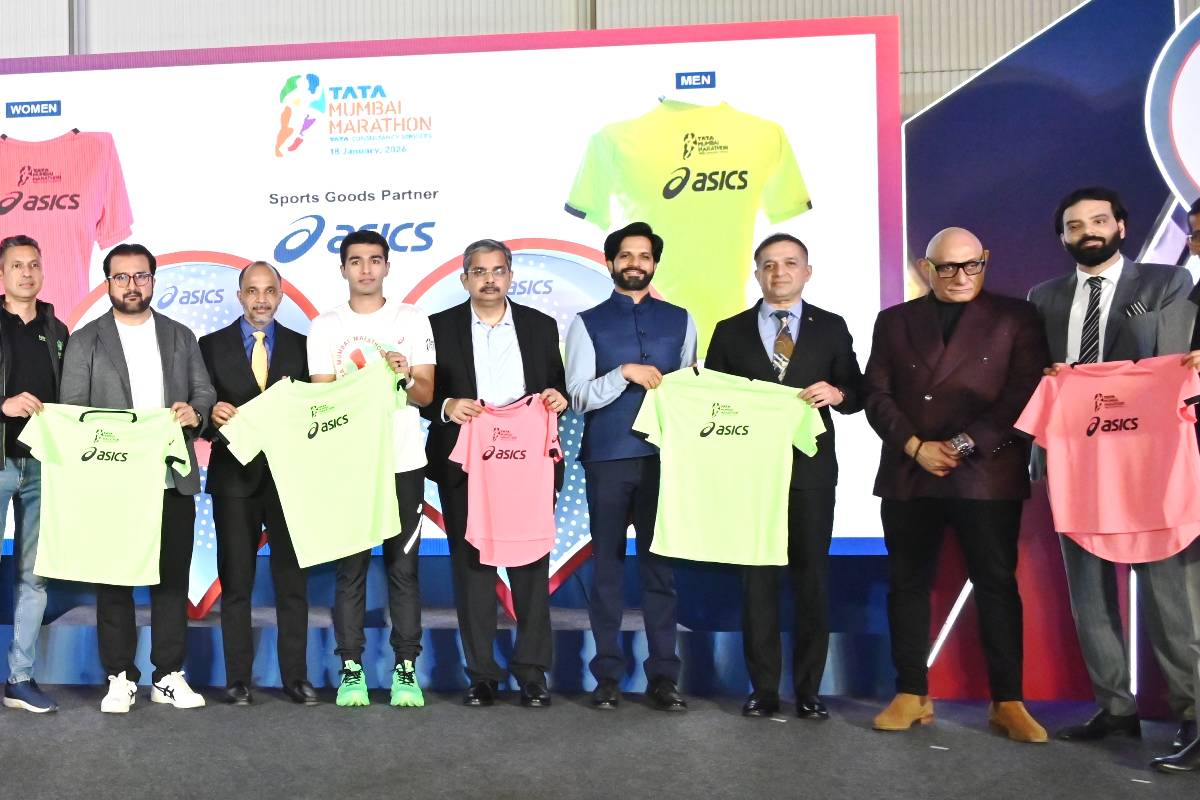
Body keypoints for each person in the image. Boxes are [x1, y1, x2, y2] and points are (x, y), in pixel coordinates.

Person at [1028, 187, 1199, 758]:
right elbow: (1033, 375)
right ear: (1063, 237)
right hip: (1075, 460)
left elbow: (1171, 359)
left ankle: (1193, 712)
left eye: (1099, 221)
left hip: (1148, 458)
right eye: (1075, 225)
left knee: (1171, 594)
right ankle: (1116, 708)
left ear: (1122, 226)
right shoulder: (1043, 297)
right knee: (1089, 592)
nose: (1088, 232)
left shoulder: (1168, 283)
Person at [864, 227, 1050, 742]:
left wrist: (963, 445)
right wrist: (915, 446)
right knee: (906, 583)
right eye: (947, 267)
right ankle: (911, 693)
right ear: (928, 268)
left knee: (996, 584)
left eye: (972, 265)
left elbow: (1024, 393)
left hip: (986, 471)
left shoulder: (1017, 317)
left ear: (984, 261)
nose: (961, 276)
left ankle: (1008, 701)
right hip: (909, 469)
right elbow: (876, 393)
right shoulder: (894, 321)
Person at [705, 233, 863, 719]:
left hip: (811, 471)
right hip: (750, 473)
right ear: (756, 274)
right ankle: (764, 689)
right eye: (769, 264)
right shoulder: (729, 331)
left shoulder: (831, 327)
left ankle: (810, 690)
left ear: (807, 272)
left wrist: (838, 393)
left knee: (811, 580)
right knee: (757, 582)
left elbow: (858, 392)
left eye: (790, 263)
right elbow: (713, 400)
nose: (780, 272)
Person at [60, 242, 216, 712]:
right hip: (113, 483)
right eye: (122, 277)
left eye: (141, 276)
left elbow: (204, 391)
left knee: (171, 580)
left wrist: (196, 413)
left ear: (153, 280)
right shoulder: (85, 340)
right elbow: (73, 411)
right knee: (114, 579)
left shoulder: (180, 335)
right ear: (108, 283)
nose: (132, 285)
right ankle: (120, 676)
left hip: (171, 478)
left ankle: (168, 675)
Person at [423, 239, 567, 708]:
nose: (489, 279)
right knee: (473, 571)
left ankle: (533, 673)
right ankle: (482, 674)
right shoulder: (437, 327)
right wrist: (446, 405)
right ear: (464, 278)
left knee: (530, 568)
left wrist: (557, 398)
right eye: (480, 271)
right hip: (466, 462)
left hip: (528, 463)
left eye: (498, 270)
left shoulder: (540, 326)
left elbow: (556, 386)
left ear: (510, 276)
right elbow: (422, 393)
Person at [565, 221, 695, 711]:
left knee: (661, 571)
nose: (635, 263)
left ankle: (664, 677)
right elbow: (578, 396)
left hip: (664, 459)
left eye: (644, 256)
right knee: (608, 571)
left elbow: (689, 389)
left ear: (654, 263)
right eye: (625, 255)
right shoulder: (587, 322)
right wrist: (622, 374)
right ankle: (607, 676)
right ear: (610, 263)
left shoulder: (681, 319)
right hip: (608, 458)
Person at [306, 229, 434, 708]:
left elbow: (425, 395)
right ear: (343, 269)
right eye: (356, 261)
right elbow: (323, 401)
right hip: (350, 465)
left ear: (387, 267)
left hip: (403, 462)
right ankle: (351, 668)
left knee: (404, 569)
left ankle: (405, 668)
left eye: (374, 260)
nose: (365, 269)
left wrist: (404, 373)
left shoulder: (411, 319)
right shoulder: (326, 326)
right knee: (351, 570)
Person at [199, 261, 316, 706]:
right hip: (234, 480)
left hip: (291, 480)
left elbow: (318, 410)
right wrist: (210, 417)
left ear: (281, 296)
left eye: (269, 291)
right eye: (253, 290)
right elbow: (199, 405)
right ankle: (238, 680)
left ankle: (296, 678)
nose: (261, 299)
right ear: (240, 295)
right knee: (236, 583)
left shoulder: (305, 346)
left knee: (293, 584)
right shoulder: (210, 346)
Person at [0, 235, 67, 713]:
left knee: (34, 577)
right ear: (2, 274)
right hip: (1, 461)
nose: (27, 273)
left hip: (43, 466)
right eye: (17, 265)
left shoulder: (58, 330)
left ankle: (19, 679)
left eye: (34, 265)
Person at [1153, 198, 1200, 773]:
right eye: (1194, 234)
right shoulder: (1185, 301)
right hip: (1186, 471)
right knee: (1189, 610)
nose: (1197, 243)